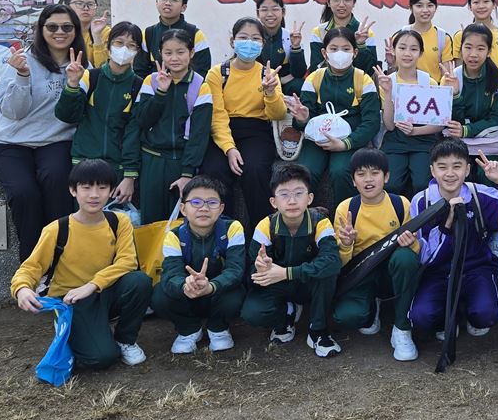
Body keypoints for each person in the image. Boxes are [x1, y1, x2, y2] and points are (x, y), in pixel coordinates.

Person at [10, 159, 150, 369]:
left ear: (111, 191)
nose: (94, 195)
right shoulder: (57, 229)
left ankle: (125, 339)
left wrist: (92, 285)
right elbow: (31, 267)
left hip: (103, 291)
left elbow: (127, 261)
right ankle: (72, 327)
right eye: (86, 188)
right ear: (73, 190)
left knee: (139, 281)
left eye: (102, 188)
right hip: (72, 299)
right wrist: (21, 289)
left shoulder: (119, 222)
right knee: (101, 358)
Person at [0, 5, 83, 260]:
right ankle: (32, 264)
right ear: (41, 29)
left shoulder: (81, 64)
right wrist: (22, 76)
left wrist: (74, 82)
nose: (60, 32)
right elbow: (13, 112)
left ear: (75, 30)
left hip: (55, 139)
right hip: (11, 141)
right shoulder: (22, 60)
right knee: (23, 193)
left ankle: (60, 259)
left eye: (67, 27)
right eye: (52, 27)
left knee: (58, 182)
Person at [409, 140, 498, 337]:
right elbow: (425, 255)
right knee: (422, 317)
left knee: (486, 314)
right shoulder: (422, 201)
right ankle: (446, 319)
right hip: (437, 272)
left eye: (457, 166)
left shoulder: (479, 195)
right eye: (442, 167)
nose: (450, 173)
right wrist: (446, 225)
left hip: (476, 268)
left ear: (467, 169)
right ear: (432, 170)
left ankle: (472, 312)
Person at [331, 149, 423, 361]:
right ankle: (372, 306)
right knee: (347, 317)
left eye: (374, 173)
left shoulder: (400, 204)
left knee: (405, 257)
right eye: (361, 174)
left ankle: (401, 327)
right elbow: (341, 262)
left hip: (391, 272)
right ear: (353, 180)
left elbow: (416, 251)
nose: (368, 179)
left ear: (386, 176)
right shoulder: (346, 208)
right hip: (361, 274)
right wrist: (346, 243)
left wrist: (411, 244)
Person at [242, 163, 341, 357]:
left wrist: (288, 272)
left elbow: (332, 261)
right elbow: (253, 272)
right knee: (252, 312)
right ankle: (285, 315)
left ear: (309, 198)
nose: (292, 201)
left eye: (298, 193)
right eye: (284, 194)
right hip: (280, 285)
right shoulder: (266, 226)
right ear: (273, 202)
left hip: (308, 284)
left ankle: (318, 330)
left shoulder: (320, 222)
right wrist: (260, 269)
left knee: (327, 273)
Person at [200, 17, 286, 229]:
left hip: (256, 131)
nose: (249, 43)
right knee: (214, 171)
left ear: (263, 43)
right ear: (232, 41)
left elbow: (278, 113)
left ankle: (261, 233)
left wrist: (270, 92)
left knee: (255, 169)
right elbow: (217, 115)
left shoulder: (268, 74)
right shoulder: (218, 73)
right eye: (243, 37)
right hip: (223, 131)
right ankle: (223, 232)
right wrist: (229, 148)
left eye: (255, 38)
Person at [150, 176, 247, 355]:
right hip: (189, 295)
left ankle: (218, 327)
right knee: (159, 296)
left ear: (221, 208)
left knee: (236, 293)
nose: (204, 208)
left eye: (212, 202)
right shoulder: (174, 236)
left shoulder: (232, 228)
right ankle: (189, 329)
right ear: (183, 209)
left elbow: (235, 269)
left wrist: (211, 286)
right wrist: (185, 285)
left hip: (218, 293)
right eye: (195, 202)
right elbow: (171, 274)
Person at [287, 26, 382, 207]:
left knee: (341, 171)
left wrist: (346, 143)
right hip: (316, 139)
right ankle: (308, 217)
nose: (340, 53)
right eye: (334, 48)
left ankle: (344, 217)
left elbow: (371, 123)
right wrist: (302, 118)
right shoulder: (313, 78)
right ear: (324, 53)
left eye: (346, 49)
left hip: (349, 139)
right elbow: (301, 123)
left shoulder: (364, 80)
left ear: (355, 53)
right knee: (305, 172)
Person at [54, 21, 142, 205]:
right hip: (84, 163)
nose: (124, 49)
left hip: (117, 168)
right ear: (108, 47)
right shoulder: (90, 76)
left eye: (131, 45)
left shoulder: (139, 85)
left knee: (114, 219)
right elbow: (66, 115)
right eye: (119, 43)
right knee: (83, 217)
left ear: (137, 52)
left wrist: (130, 175)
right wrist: (72, 84)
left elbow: (134, 132)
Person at [133, 28, 214, 224]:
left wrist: (187, 173)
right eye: (168, 53)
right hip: (151, 160)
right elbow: (142, 119)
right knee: (150, 221)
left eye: (180, 52)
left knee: (179, 222)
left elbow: (199, 134)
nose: (174, 58)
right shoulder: (151, 81)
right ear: (160, 54)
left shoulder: (200, 86)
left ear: (191, 53)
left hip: (181, 162)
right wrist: (161, 92)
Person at [376, 29, 444, 195]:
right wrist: (387, 92)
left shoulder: (429, 82)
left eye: (413, 49)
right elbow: (389, 125)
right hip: (395, 140)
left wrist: (415, 131)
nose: (407, 53)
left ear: (420, 53)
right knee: (391, 184)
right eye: (402, 48)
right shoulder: (387, 81)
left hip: (424, 139)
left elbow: (440, 124)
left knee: (422, 183)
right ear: (394, 51)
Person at [133, 0, 211, 78]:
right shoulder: (148, 34)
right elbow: (139, 70)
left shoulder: (195, 34)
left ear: (183, 7)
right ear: (156, 3)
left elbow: (202, 70)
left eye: (174, 0)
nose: (167, 3)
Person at [308, 0, 379, 72]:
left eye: (347, 0)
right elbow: (315, 68)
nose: (341, 4)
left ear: (354, 2)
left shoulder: (365, 32)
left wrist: (361, 45)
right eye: (336, 0)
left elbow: (370, 70)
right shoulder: (319, 31)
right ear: (328, 2)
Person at [255, 0, 309, 96]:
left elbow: (299, 73)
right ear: (258, 13)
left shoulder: (289, 37)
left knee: (300, 85)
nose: (270, 14)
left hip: (286, 86)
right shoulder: (254, 37)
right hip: (260, 84)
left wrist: (296, 47)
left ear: (283, 12)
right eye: (264, 10)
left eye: (275, 9)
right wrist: (280, 79)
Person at [399, 0, 453, 77]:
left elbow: (446, 75)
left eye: (430, 5)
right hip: (406, 85)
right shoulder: (401, 35)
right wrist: (391, 62)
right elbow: (395, 70)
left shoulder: (443, 38)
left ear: (435, 7)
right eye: (419, 6)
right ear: (411, 7)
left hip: (434, 86)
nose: (425, 10)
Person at [62, 0, 110, 68]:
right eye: (79, 4)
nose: (86, 8)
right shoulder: (59, 31)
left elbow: (104, 69)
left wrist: (97, 37)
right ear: (67, 6)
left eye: (90, 4)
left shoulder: (105, 32)